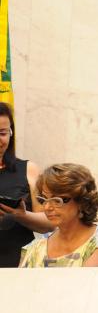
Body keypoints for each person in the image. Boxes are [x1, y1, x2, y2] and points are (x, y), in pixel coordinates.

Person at [19, 163, 98, 268]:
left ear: (81, 201)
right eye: (44, 199)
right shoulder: (36, 247)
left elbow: (89, 278)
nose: (47, 207)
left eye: (57, 200)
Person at [0, 102, 53, 266]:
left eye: (2, 133)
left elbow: (49, 222)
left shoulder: (28, 169)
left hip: (18, 263)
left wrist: (21, 215)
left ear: (11, 133)